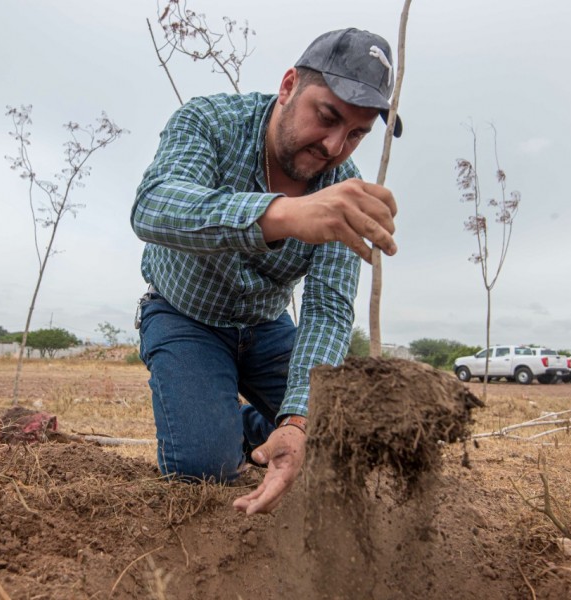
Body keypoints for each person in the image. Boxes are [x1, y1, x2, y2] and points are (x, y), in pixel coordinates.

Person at [131, 27, 402, 515]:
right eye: (327, 116)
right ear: (288, 85)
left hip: (266, 326)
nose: (335, 146)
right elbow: (153, 207)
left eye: (357, 133)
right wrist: (282, 214)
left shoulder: (346, 190)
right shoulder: (210, 122)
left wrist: (298, 421)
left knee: (339, 437)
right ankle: (223, 418)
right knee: (203, 465)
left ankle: (265, 425)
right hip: (183, 314)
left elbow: (327, 312)